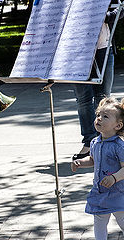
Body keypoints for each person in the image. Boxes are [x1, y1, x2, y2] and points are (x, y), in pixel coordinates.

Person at [72, 1, 124, 160]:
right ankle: (89, 143)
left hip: (103, 48)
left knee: (103, 98)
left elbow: (121, 8)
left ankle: (105, 141)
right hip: (76, 49)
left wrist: (107, 16)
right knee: (83, 99)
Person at [71, 97, 124, 240]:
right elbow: (93, 160)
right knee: (99, 221)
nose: (99, 118)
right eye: (98, 115)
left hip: (118, 192)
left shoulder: (119, 146)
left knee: (122, 220)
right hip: (100, 191)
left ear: (118, 126)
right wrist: (81, 162)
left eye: (105, 116)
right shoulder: (95, 142)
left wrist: (114, 177)